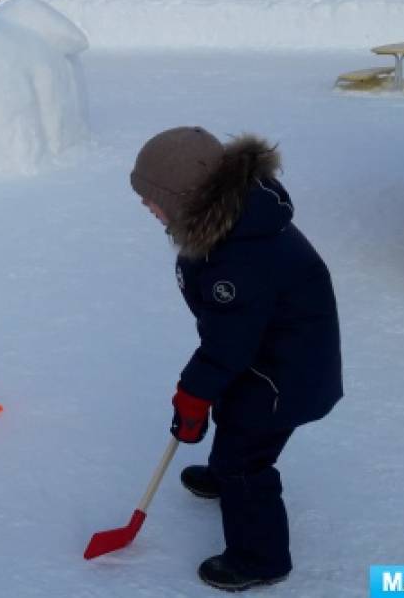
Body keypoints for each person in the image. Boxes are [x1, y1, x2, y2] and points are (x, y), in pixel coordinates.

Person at [129, 127, 342, 591]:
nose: (146, 207)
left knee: (246, 460)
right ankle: (227, 472)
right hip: (266, 357)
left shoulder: (240, 259)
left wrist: (192, 392)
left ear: (186, 199)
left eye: (152, 199)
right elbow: (233, 337)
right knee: (235, 414)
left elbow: (228, 342)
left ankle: (260, 558)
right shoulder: (232, 221)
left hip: (286, 376)